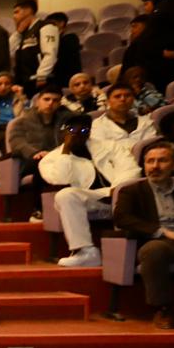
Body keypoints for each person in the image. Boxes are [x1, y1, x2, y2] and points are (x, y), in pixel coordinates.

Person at [113, 139, 174, 329]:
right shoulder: (131, 191)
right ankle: (162, 308)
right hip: (154, 240)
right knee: (153, 250)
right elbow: (122, 218)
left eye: (162, 160)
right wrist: (163, 232)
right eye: (150, 161)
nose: (155, 166)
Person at [41, 110, 142, 269]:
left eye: (84, 130)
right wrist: (66, 150)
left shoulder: (110, 146)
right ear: (63, 132)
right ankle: (86, 252)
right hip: (91, 202)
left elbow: (131, 169)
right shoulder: (50, 159)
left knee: (129, 185)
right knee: (65, 195)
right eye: (72, 130)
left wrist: (117, 190)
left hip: (120, 196)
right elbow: (59, 179)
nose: (78, 134)